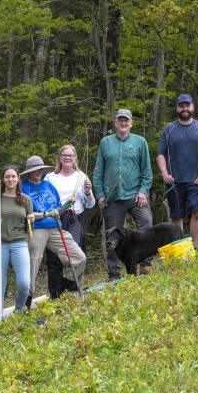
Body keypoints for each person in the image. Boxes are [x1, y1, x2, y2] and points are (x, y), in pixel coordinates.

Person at [93, 108, 154, 278]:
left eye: (126, 120)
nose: (123, 122)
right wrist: (100, 194)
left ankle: (145, 264)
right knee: (111, 235)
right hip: (112, 198)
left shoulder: (140, 142)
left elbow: (147, 172)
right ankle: (114, 273)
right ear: (115, 122)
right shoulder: (105, 143)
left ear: (131, 123)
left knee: (146, 223)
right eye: (120, 119)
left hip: (135, 195)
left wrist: (143, 191)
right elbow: (98, 171)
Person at [22, 155, 87, 298]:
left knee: (79, 258)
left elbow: (58, 207)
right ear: (28, 172)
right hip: (36, 228)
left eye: (40, 169)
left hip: (55, 228)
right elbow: (26, 214)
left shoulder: (48, 186)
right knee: (33, 264)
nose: (38, 172)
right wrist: (46, 214)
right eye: (35, 170)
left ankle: (64, 288)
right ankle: (25, 301)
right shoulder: (23, 188)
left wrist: (65, 205)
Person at [156, 94, 198, 247]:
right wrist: (164, 173)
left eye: (187, 105)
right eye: (181, 106)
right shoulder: (169, 129)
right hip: (174, 181)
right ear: (177, 108)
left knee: (197, 213)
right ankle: (181, 249)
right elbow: (160, 153)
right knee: (177, 216)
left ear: (193, 107)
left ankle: (194, 247)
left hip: (196, 180)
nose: (184, 108)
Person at [46, 145, 95, 297]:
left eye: (71, 155)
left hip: (74, 219)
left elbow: (90, 204)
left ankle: (70, 292)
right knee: (55, 258)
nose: (67, 158)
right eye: (64, 155)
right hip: (55, 219)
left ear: (75, 158)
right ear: (59, 158)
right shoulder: (50, 178)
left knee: (75, 256)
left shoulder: (82, 177)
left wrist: (87, 192)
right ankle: (55, 295)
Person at [0, 165, 33, 312]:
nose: (10, 179)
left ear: (18, 178)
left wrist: (30, 221)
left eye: (13, 176)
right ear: (3, 179)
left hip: (20, 242)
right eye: (7, 176)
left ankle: (19, 309)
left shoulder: (26, 200)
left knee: (24, 284)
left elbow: (29, 226)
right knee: (0, 284)